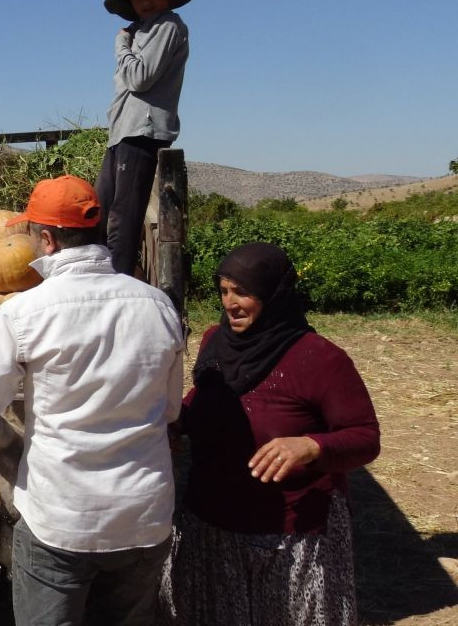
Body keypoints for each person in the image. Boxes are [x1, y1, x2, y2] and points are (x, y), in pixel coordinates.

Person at [0, 175, 185, 626]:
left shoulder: (23, 312)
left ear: (47, 239)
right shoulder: (158, 305)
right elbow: (170, 410)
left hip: (62, 521)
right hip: (145, 516)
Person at [159, 242, 380, 625]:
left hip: (290, 534)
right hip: (213, 521)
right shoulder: (216, 341)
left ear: (273, 295)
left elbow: (364, 436)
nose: (231, 303)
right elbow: (208, 397)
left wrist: (311, 445)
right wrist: (178, 422)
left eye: (243, 292)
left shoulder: (319, 358)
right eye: (224, 291)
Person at [97, 0, 193, 277]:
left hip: (143, 132)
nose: (144, 0)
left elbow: (140, 77)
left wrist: (121, 47)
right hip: (123, 132)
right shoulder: (140, 32)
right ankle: (102, 279)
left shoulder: (168, 26)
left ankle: (117, 286)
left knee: (123, 220)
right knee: (102, 212)